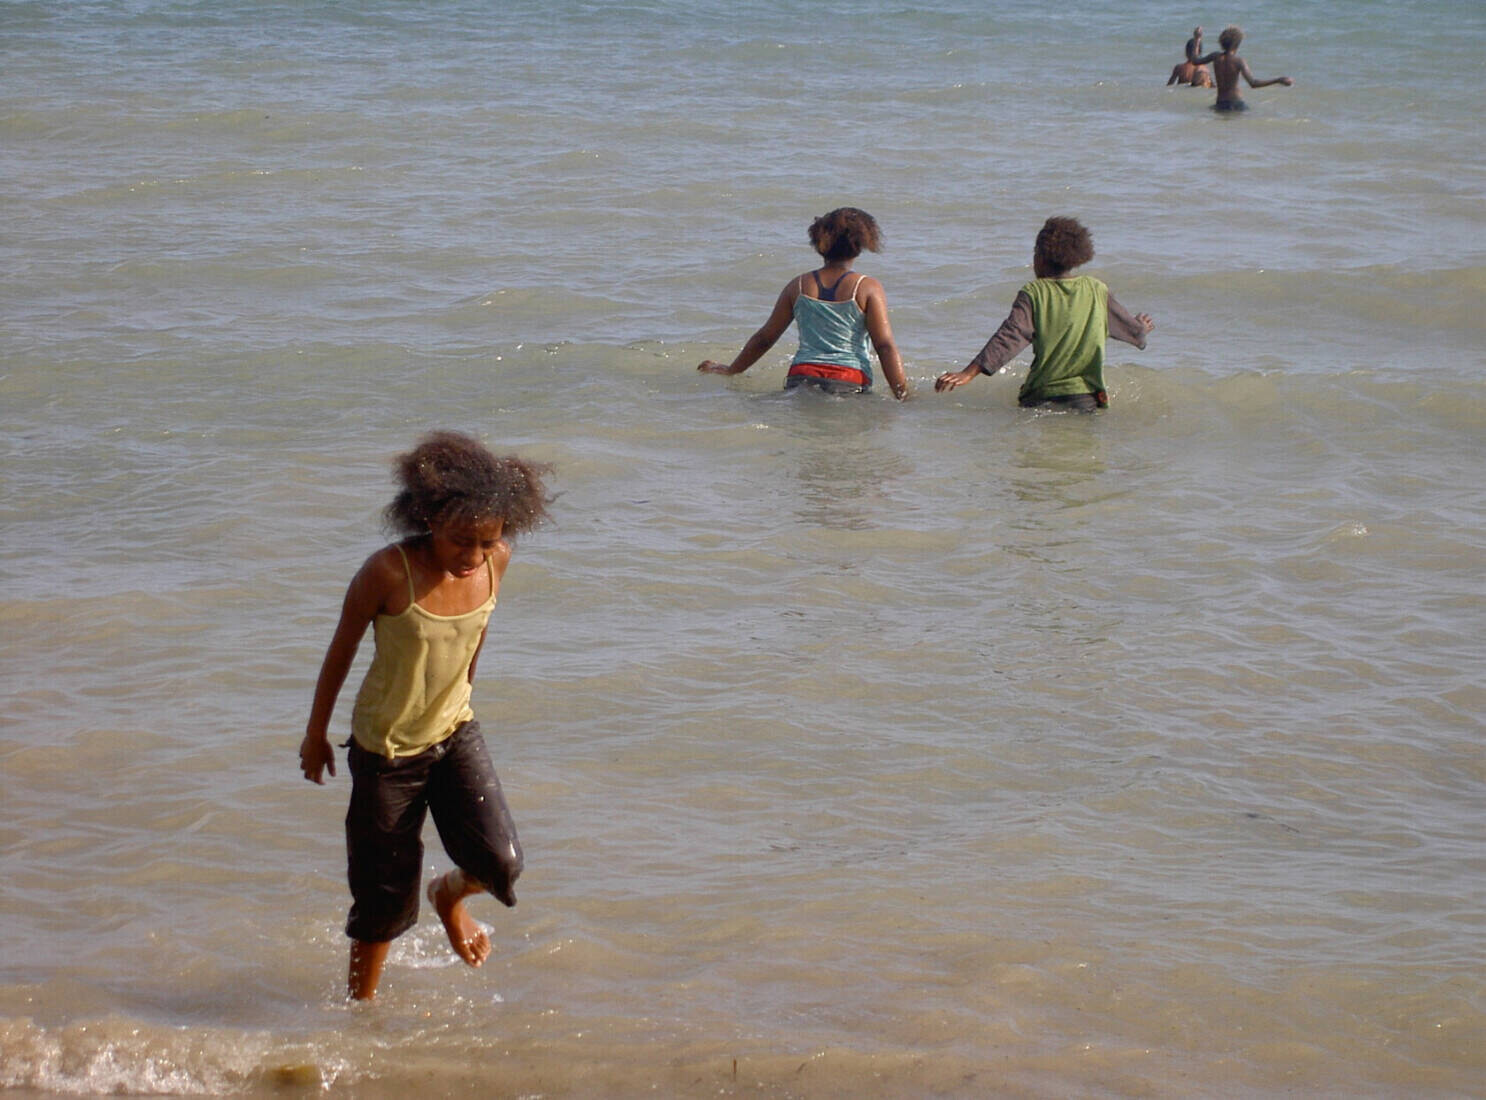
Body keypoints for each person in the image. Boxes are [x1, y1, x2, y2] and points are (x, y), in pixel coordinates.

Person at [299, 430, 552, 1000]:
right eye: (462, 541)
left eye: (487, 542)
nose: (474, 557)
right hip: (386, 751)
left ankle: (449, 896)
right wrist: (316, 734)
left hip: (454, 732)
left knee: (502, 863)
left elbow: (475, 634)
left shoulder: (495, 563)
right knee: (383, 899)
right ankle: (361, 1011)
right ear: (428, 519)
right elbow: (340, 651)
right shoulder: (388, 573)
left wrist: (464, 689)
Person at [934, 217, 1154, 411]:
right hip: (1088, 399)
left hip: (1042, 397)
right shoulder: (1097, 290)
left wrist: (968, 373)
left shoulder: (1034, 293)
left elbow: (1009, 337)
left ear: (1040, 257)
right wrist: (1141, 327)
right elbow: (1131, 331)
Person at [697, 207, 909, 399]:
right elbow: (884, 346)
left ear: (818, 244)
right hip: (849, 378)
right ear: (861, 245)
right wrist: (903, 395)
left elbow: (765, 338)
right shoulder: (867, 287)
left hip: (801, 376)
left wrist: (733, 369)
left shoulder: (798, 285)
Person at [1196, 25, 1294, 111]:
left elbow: (1195, 60)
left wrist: (1197, 39)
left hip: (1220, 104)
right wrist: (1278, 80)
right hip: (1236, 104)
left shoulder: (1215, 57)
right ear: (1237, 44)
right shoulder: (1238, 61)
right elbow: (1253, 83)